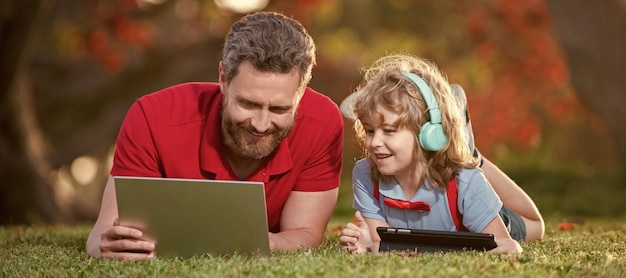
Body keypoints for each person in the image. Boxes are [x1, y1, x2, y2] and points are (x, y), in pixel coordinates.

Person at [86, 11, 344, 260]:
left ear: (300, 93)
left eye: (279, 109)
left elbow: (304, 233)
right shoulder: (152, 117)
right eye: (248, 104)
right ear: (223, 78)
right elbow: (103, 233)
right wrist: (107, 245)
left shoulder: (322, 122)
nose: (262, 124)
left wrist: (254, 242)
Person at [338, 54, 544, 254]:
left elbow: (503, 245)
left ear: (429, 134)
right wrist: (365, 243)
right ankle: (464, 150)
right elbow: (380, 242)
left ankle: (471, 154)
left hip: (473, 200)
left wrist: (510, 246)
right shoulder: (365, 174)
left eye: (389, 131)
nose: (374, 143)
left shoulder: (465, 181)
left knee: (536, 225)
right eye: (370, 131)